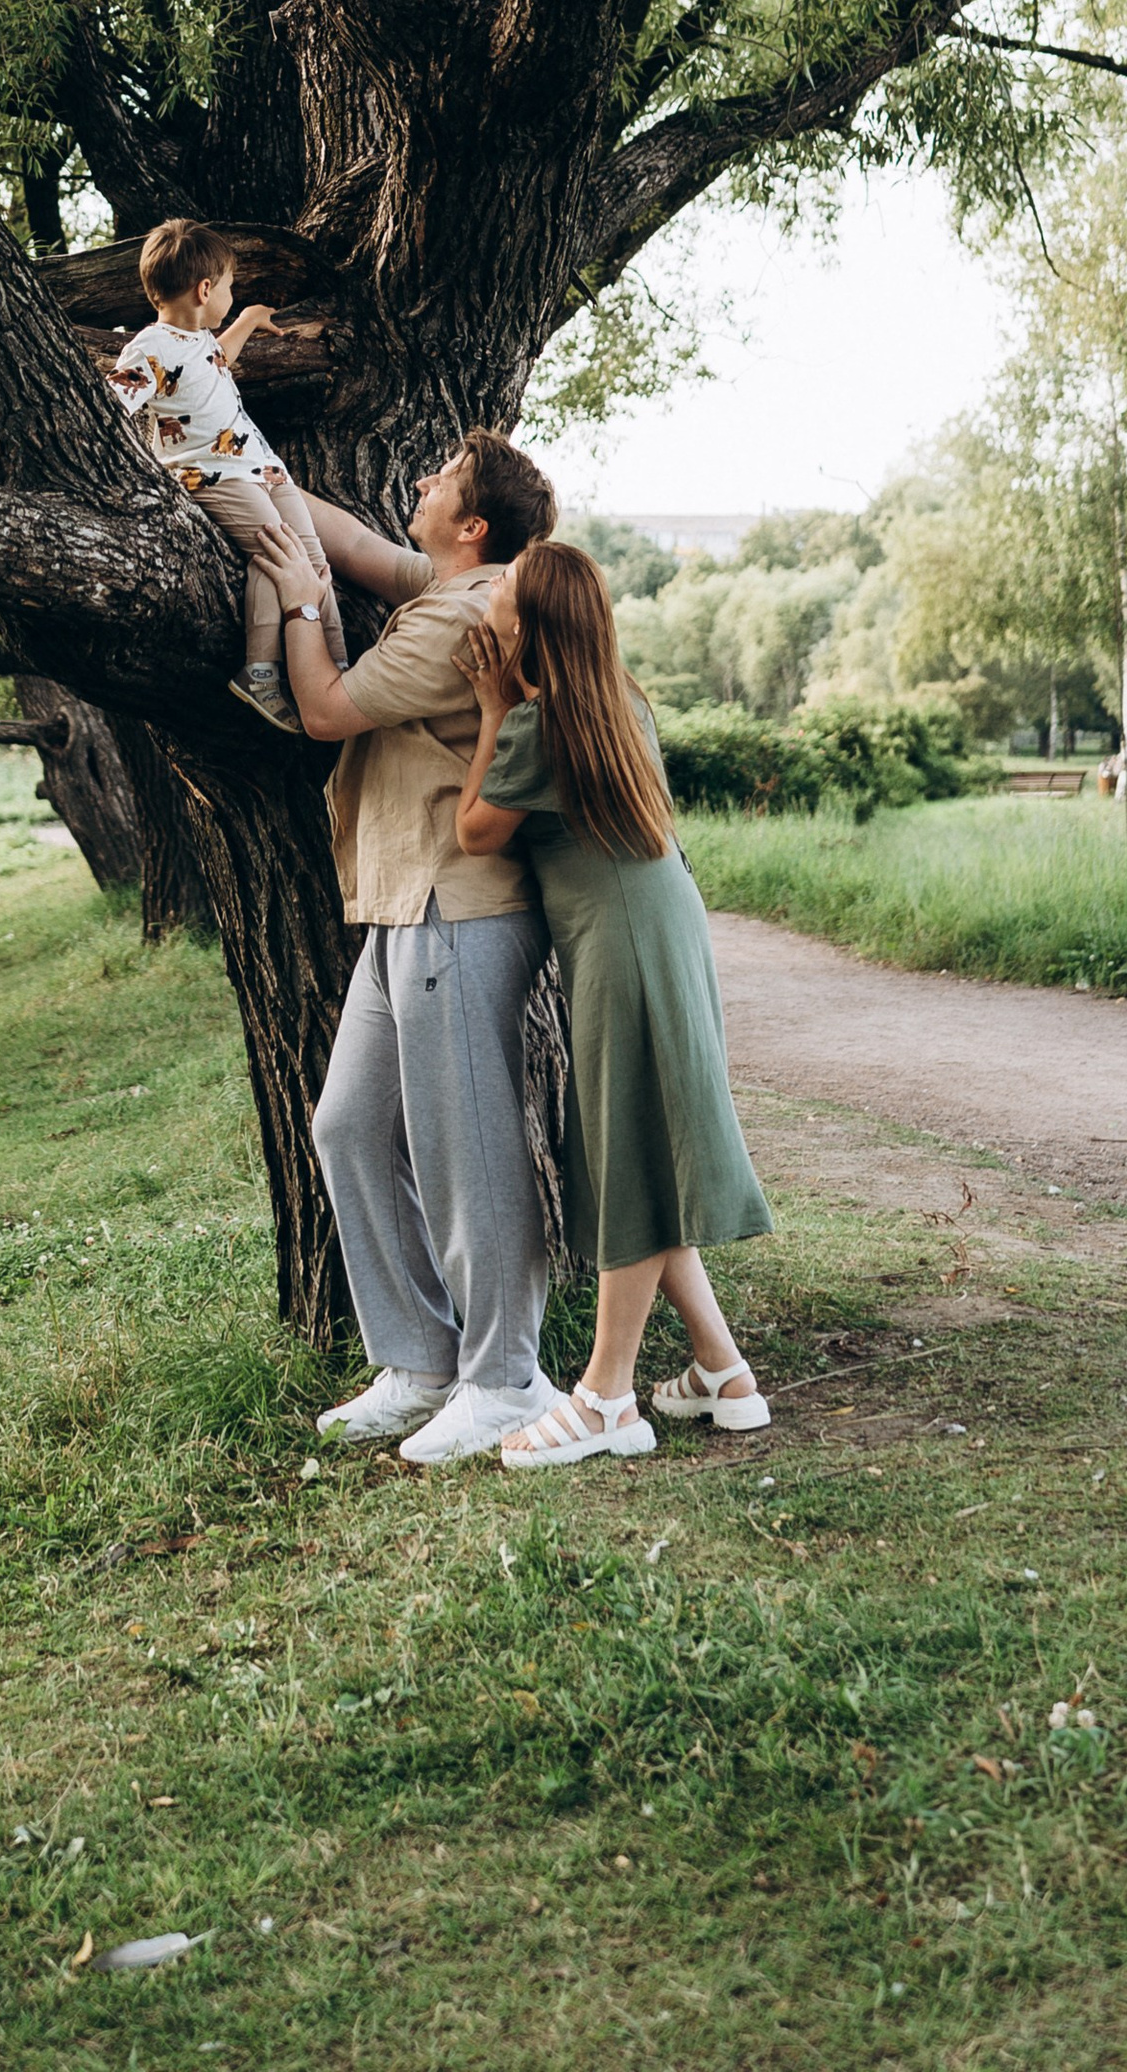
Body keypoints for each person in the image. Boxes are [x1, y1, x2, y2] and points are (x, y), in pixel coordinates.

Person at [262, 428, 564, 1467]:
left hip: (459, 904)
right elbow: (343, 538)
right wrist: (246, 471)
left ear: (473, 526)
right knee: (347, 1127)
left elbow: (323, 709)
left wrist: (302, 604)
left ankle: (507, 1379)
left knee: (465, 1149)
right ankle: (423, 1361)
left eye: (440, 480)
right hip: (401, 902)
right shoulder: (444, 586)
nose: (420, 482)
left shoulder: (468, 615)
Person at [453, 540, 774, 1469]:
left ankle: (605, 1398)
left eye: (505, 591)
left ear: (532, 623)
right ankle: (723, 1373)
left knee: (627, 1156)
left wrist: (488, 709)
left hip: (619, 949)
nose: (493, 598)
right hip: (667, 928)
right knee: (642, 1147)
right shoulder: (618, 702)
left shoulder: (535, 725)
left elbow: (472, 833)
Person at [106, 217, 418, 731]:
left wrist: (248, 318)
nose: (232, 293)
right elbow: (112, 403)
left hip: (261, 467)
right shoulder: (151, 346)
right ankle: (261, 671)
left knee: (313, 558)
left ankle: (336, 665)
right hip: (214, 475)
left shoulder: (199, 336)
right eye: (231, 287)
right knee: (277, 554)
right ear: (205, 289)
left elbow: (215, 363)